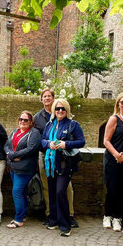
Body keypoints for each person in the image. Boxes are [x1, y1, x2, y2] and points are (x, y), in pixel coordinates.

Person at [34, 89, 77, 227]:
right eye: (44, 96)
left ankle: (68, 215)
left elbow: (76, 137)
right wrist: (48, 144)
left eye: (49, 96)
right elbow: (39, 138)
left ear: (53, 98)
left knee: (66, 188)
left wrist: (65, 144)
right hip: (45, 156)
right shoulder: (38, 118)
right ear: (41, 100)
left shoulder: (66, 117)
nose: (46, 98)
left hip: (63, 158)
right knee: (48, 187)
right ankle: (50, 214)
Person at [41, 99, 85, 237]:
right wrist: (49, 144)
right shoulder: (50, 124)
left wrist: (66, 144)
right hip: (50, 163)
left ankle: (65, 224)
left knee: (61, 192)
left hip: (65, 164)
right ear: (54, 110)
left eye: (63, 109)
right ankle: (53, 220)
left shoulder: (73, 124)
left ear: (67, 110)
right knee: (52, 192)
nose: (60, 111)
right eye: (57, 109)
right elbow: (42, 140)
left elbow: (81, 141)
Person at [103, 92, 123, 232]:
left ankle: (118, 218)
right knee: (112, 189)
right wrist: (116, 155)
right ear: (118, 105)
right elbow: (106, 141)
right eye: (122, 102)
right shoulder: (114, 119)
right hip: (112, 159)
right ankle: (107, 215)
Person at [4, 111, 41, 229]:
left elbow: (30, 149)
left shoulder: (34, 133)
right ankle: (23, 215)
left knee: (17, 192)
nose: (22, 122)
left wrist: (13, 155)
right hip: (13, 167)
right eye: (21, 119)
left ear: (31, 122)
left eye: (26, 120)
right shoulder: (15, 131)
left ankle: (18, 219)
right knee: (22, 192)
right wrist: (9, 153)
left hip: (25, 168)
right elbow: (6, 145)